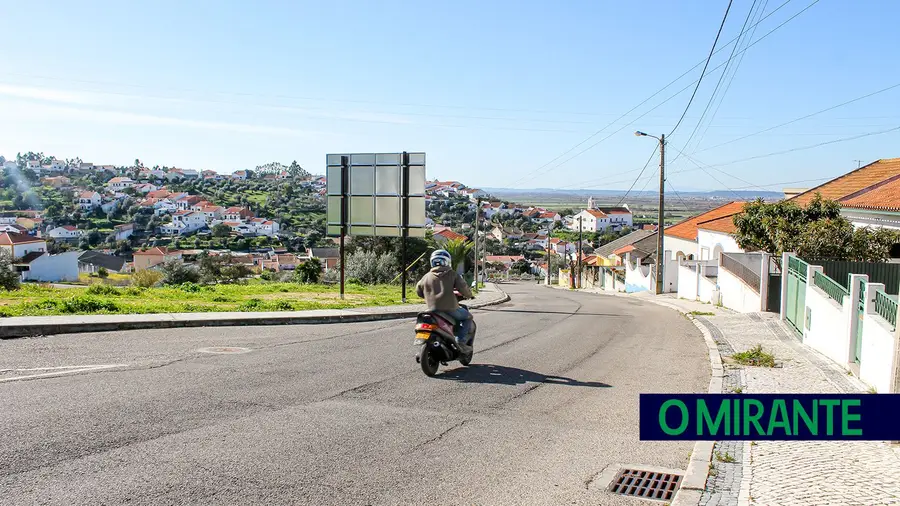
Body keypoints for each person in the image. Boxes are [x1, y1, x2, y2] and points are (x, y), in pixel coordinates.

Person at [416, 249, 474, 352]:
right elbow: (463, 288)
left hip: (431, 309)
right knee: (468, 317)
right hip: (450, 309)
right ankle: (461, 342)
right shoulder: (452, 274)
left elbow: (419, 292)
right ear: (447, 261)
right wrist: (469, 295)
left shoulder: (425, 277)